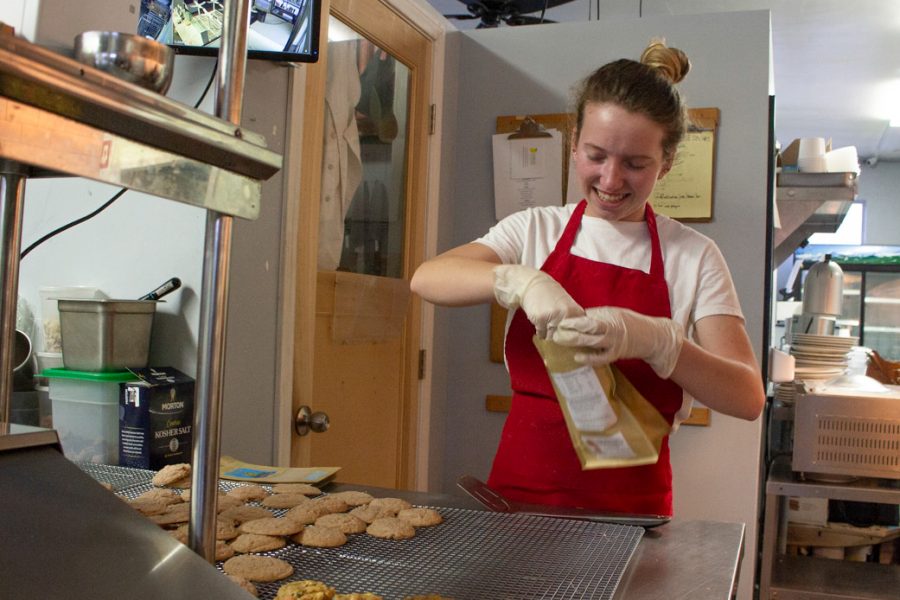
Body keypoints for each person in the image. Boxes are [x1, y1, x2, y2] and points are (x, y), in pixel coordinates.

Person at [410, 40, 765, 517]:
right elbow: (427, 278)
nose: (612, 180)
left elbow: (746, 398)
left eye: (636, 164)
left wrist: (662, 344)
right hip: (518, 502)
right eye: (596, 155)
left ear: (668, 162)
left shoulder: (694, 256)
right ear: (574, 142)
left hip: (632, 515)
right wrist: (521, 281)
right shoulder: (535, 229)